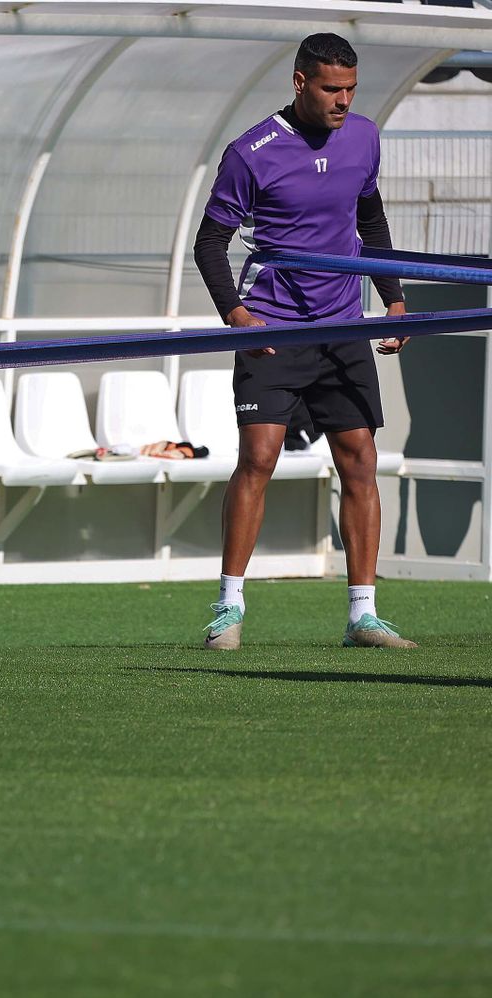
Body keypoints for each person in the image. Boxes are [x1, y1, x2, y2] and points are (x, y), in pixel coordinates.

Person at [193, 32, 415, 650]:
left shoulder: (365, 136)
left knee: (360, 461)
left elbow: (370, 220)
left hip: (343, 324)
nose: (342, 100)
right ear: (300, 83)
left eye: (350, 88)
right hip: (274, 327)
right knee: (259, 459)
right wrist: (236, 314)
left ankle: (363, 616)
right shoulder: (251, 151)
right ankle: (228, 609)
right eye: (330, 89)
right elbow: (210, 243)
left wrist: (392, 297)